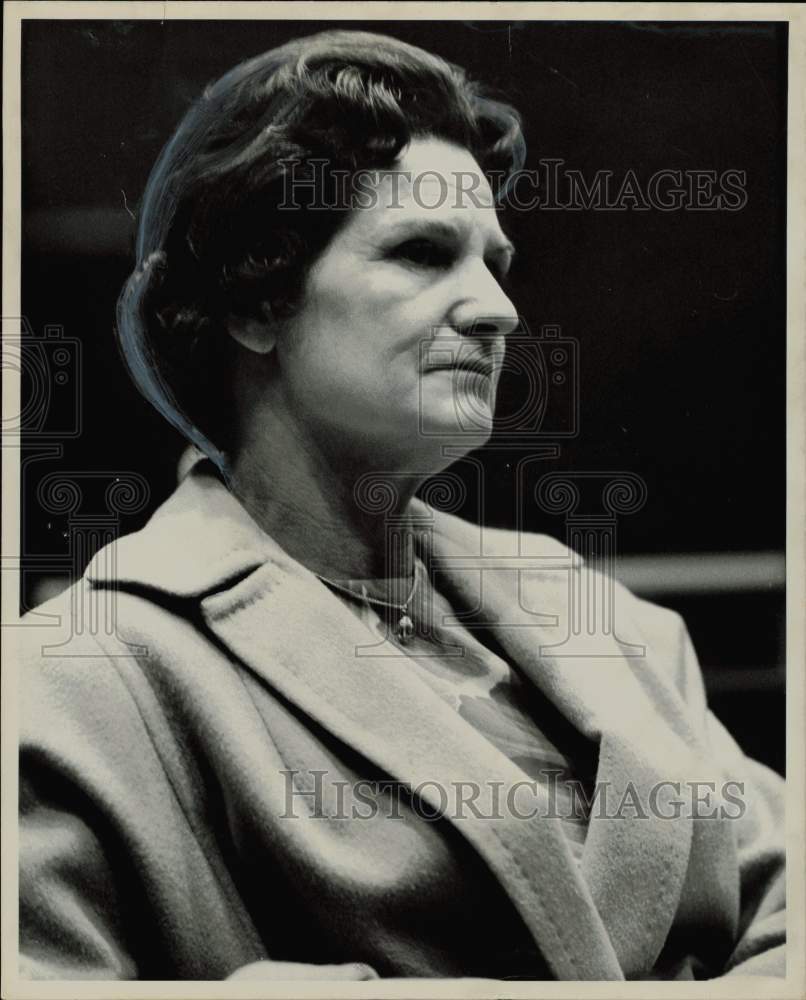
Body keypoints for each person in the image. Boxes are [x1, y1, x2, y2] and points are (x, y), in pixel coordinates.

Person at [18, 30, 785, 982]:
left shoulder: (609, 620)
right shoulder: (82, 679)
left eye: (495, 260)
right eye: (422, 252)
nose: (497, 307)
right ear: (256, 302)